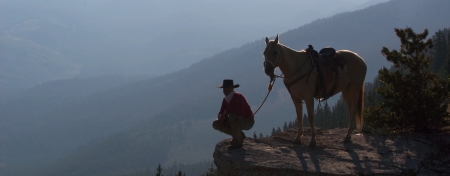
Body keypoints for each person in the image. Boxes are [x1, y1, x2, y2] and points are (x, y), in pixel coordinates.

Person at [212, 79, 254, 149]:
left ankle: (237, 142)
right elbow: (220, 112)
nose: (225, 89)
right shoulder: (225, 100)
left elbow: (240, 112)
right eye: (224, 88)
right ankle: (239, 135)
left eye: (226, 87)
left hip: (247, 121)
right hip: (234, 121)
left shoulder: (239, 97)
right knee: (216, 124)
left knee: (232, 116)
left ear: (232, 88)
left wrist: (227, 111)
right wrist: (221, 117)